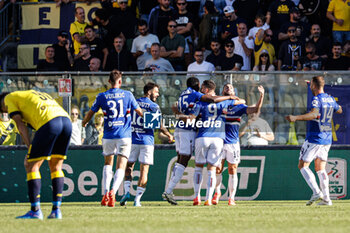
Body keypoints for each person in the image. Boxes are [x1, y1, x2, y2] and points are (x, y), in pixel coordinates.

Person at [162, 77, 244, 205]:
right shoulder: (201, 97)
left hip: (182, 129)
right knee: (193, 163)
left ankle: (193, 196)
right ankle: (172, 191)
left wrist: (177, 114)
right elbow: (214, 99)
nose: (201, 91)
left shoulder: (185, 94)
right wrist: (231, 97)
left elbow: (186, 114)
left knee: (185, 161)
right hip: (194, 132)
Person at [0, 90, 72, 219]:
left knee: (30, 164)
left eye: (4, 111)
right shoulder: (28, 94)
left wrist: (29, 148)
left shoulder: (8, 99)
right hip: (66, 121)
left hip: (49, 122)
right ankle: (56, 210)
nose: (7, 113)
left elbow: (20, 126)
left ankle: (35, 210)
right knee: (56, 167)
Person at [82, 70, 143, 207]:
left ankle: (105, 194)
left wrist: (84, 122)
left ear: (109, 81)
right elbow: (139, 112)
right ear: (120, 81)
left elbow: (90, 113)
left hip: (108, 136)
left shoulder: (102, 96)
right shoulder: (128, 95)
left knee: (108, 164)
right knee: (121, 165)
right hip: (124, 136)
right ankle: (113, 192)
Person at [285, 76, 342, 206]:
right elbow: (339, 109)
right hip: (327, 138)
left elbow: (314, 114)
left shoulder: (316, 100)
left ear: (314, 86)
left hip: (315, 138)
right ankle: (327, 199)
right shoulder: (329, 98)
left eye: (311, 85)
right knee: (320, 168)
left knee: (302, 165)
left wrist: (295, 117)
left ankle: (316, 192)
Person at [121, 83, 173, 207]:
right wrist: (169, 134)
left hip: (132, 140)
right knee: (144, 172)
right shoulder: (153, 106)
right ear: (149, 92)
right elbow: (158, 124)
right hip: (146, 141)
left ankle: (127, 192)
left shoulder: (134, 102)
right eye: (156, 92)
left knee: (128, 167)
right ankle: (137, 200)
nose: (158, 94)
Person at [213, 83, 264, 206]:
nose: (228, 88)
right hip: (219, 141)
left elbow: (255, 110)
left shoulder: (240, 106)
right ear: (222, 91)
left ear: (234, 92)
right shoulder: (219, 104)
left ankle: (231, 198)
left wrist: (261, 96)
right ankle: (217, 193)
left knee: (233, 169)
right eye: (225, 87)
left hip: (233, 142)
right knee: (218, 169)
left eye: (230, 87)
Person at [190, 80, 239, 206]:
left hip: (202, 136)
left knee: (198, 168)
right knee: (212, 169)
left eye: (202, 88)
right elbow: (240, 101)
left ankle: (196, 197)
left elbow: (191, 118)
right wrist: (231, 97)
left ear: (206, 89)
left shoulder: (200, 102)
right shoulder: (223, 102)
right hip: (218, 138)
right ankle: (208, 198)